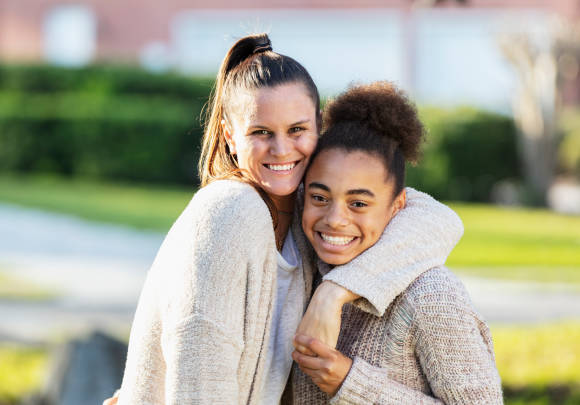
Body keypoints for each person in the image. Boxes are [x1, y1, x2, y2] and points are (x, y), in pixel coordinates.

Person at [107, 34, 464, 405]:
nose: (281, 150)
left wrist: (334, 291)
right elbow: (199, 386)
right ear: (230, 136)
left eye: (297, 130)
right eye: (261, 133)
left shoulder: (305, 204)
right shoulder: (228, 214)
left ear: (318, 126)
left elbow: (436, 219)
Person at [290, 82, 503, 404]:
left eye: (358, 204)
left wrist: (350, 383)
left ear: (397, 205)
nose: (335, 219)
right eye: (320, 197)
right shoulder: (304, 271)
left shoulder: (432, 296)